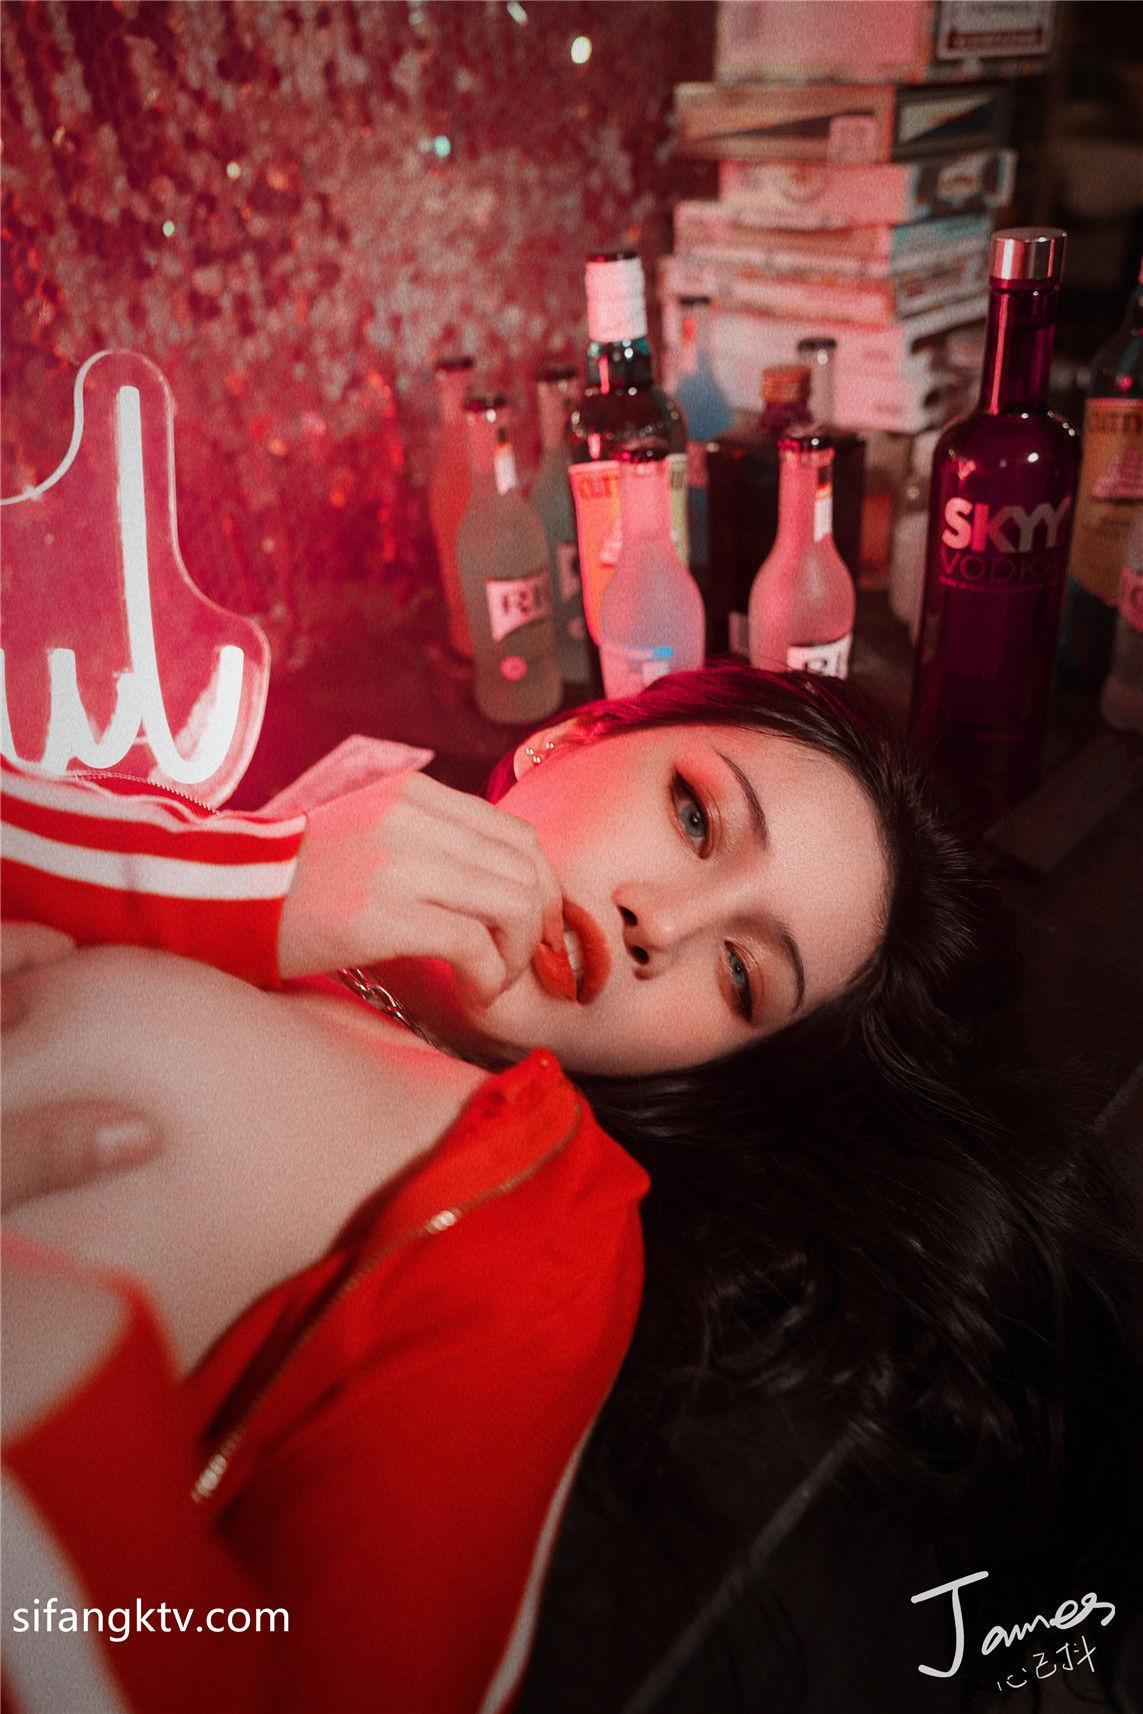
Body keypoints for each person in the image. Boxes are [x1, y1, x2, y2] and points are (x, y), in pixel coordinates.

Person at [1, 665, 1139, 1714]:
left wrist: (48, 1398)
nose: (662, 925)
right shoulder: (204, 831)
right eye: (695, 816)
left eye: (740, 974)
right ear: (568, 738)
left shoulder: (542, 1229)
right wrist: (254, 879)